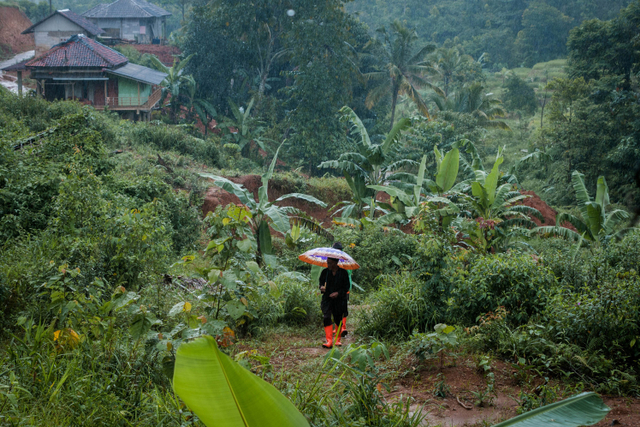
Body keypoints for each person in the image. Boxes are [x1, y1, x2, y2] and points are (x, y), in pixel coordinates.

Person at [319, 257, 350, 348]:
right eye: (328, 262)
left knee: (338, 318)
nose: (328, 265)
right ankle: (329, 341)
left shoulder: (343, 273)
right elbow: (320, 283)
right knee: (326, 317)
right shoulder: (325, 272)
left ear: (336, 263)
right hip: (327, 299)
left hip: (339, 300)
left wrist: (338, 293)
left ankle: (337, 340)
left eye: (330, 263)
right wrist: (321, 288)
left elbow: (346, 287)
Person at [331, 242, 351, 337]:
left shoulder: (337, 259)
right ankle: (340, 327)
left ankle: (341, 328)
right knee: (341, 307)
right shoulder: (345, 258)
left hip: (341, 288)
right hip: (345, 288)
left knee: (340, 308)